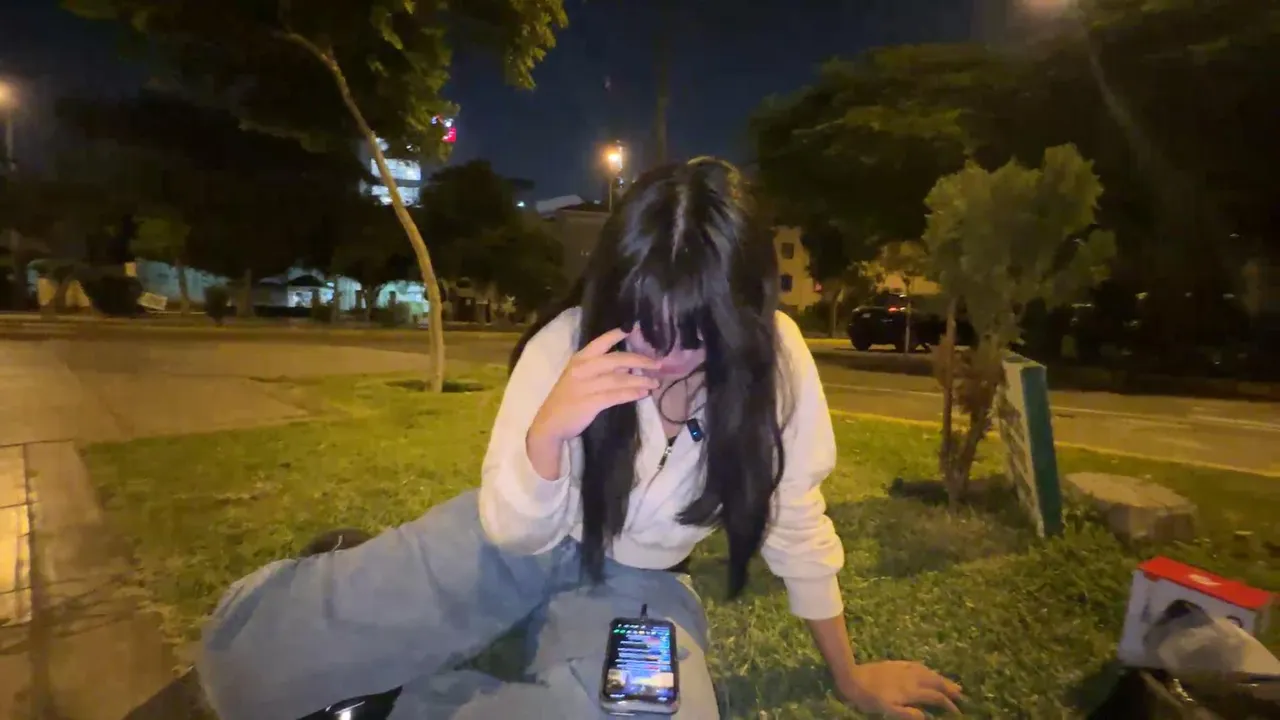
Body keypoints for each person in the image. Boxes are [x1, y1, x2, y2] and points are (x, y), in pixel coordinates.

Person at [197, 158, 965, 720]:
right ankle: (329, 580)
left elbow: (794, 520)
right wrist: (549, 433)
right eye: (647, 324)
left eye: (697, 333)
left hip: (638, 582)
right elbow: (511, 528)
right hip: (512, 544)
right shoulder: (566, 344)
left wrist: (849, 675)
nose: (667, 357)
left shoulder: (778, 365)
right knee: (245, 677)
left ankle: (398, 703)